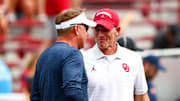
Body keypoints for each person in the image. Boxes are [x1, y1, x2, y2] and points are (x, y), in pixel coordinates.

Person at [82, 8, 149, 101]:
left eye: (105, 30)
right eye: (97, 30)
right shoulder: (83, 59)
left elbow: (142, 96)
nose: (100, 34)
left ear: (117, 30)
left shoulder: (134, 59)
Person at [30, 8, 96, 101]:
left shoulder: (44, 54)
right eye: (86, 28)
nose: (87, 34)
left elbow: (35, 96)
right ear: (76, 29)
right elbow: (73, 90)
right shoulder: (73, 53)